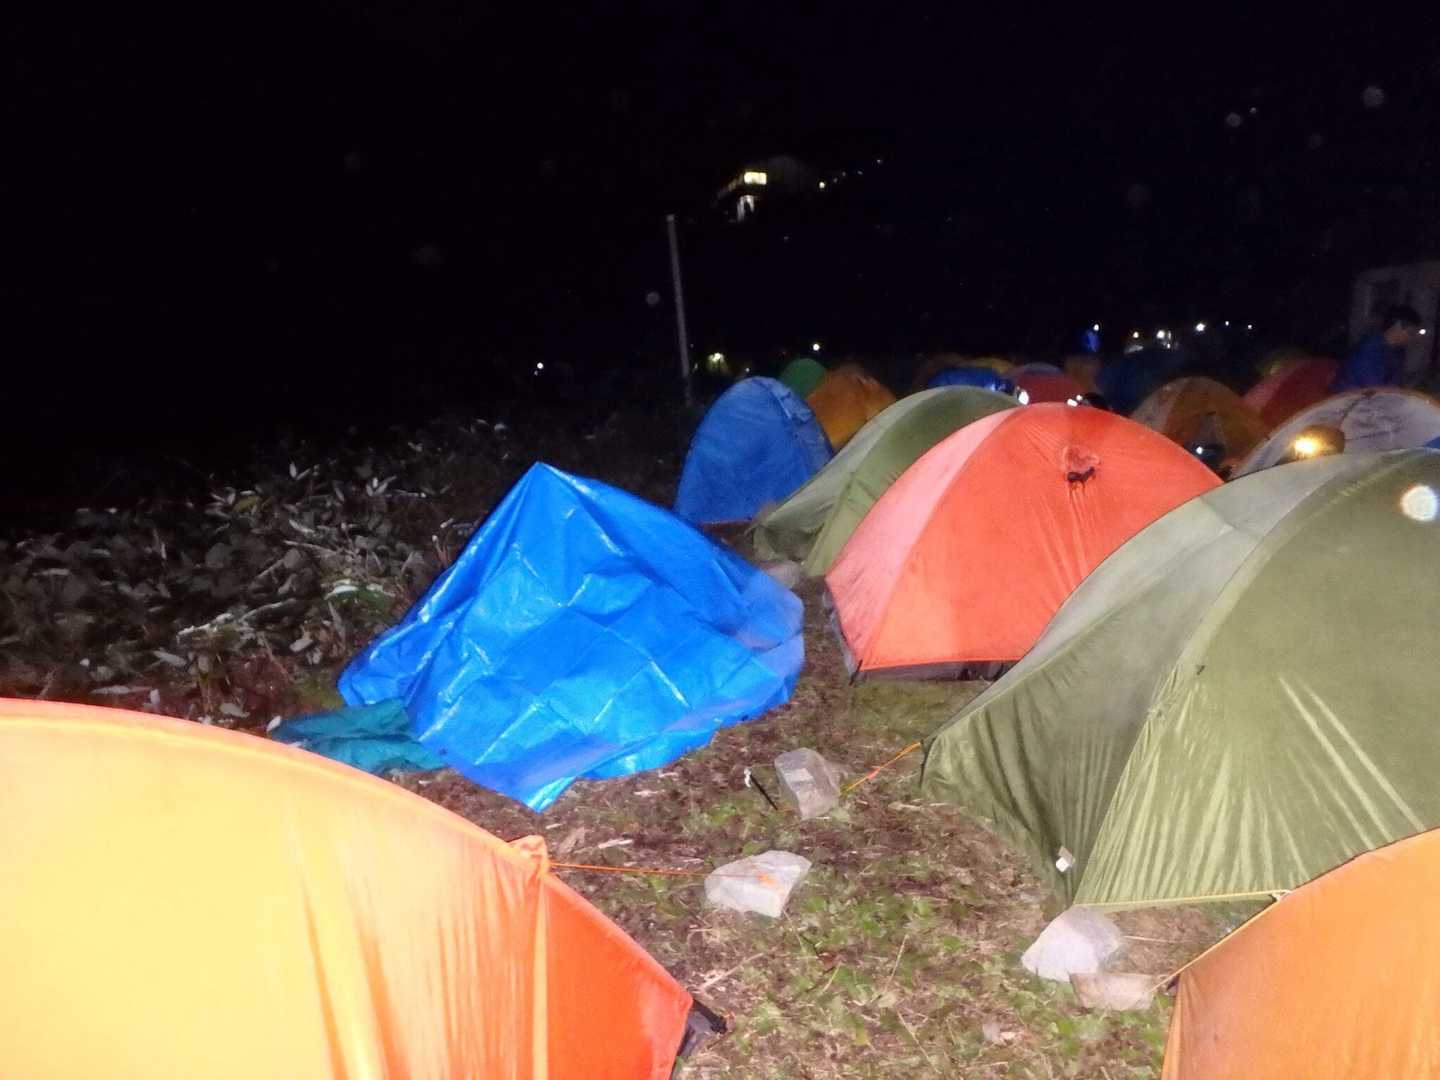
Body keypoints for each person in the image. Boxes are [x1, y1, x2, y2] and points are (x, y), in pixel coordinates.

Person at [1331, 305, 1423, 392]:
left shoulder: (1397, 350)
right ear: (1397, 326)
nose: (1413, 338)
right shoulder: (1369, 349)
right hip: (1347, 397)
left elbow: (1395, 382)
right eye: (1410, 333)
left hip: (1372, 395)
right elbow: (1374, 389)